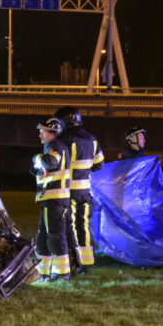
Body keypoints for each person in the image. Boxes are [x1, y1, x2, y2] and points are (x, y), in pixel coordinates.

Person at [55, 106, 104, 274]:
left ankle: (75, 262)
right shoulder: (92, 139)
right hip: (85, 192)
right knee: (84, 225)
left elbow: (56, 164)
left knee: (71, 227)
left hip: (68, 192)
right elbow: (99, 164)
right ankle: (88, 263)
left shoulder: (64, 140)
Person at [32, 117, 71, 281]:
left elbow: (50, 162)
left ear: (53, 133)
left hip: (55, 199)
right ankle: (43, 271)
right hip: (49, 199)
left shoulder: (57, 148)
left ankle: (61, 273)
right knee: (43, 236)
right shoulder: (51, 147)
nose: (40, 134)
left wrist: (37, 158)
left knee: (55, 236)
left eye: (43, 131)